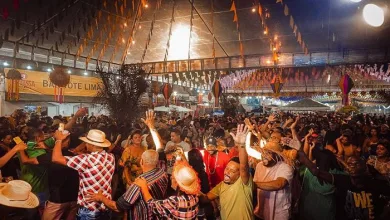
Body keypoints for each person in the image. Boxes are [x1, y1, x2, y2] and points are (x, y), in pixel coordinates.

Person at [298, 150, 390, 219]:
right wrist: (300, 150)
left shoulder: (376, 184)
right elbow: (316, 172)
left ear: (366, 168)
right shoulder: (343, 180)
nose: (352, 166)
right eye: (350, 164)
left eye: (356, 164)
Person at [85, 150, 168, 220]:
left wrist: (101, 198)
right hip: (156, 216)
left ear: (141, 161)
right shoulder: (163, 173)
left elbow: (117, 207)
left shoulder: (139, 184)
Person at [52, 129, 115, 220]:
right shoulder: (110, 157)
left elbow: (56, 158)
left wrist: (58, 140)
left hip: (89, 210)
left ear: (92, 145)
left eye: (87, 142)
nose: (85, 144)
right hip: (105, 206)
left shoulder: (86, 160)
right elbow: (93, 159)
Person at [18, 130, 79, 220]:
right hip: (75, 198)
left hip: (57, 200)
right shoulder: (75, 155)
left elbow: (25, 160)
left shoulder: (48, 157)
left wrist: (20, 148)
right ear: (68, 142)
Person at [200, 124, 253, 220]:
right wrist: (190, 187)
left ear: (239, 174)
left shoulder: (244, 184)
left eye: (232, 170)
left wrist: (241, 145)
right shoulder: (221, 186)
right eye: (227, 168)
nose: (227, 172)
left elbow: (244, 166)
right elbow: (205, 199)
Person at [134, 161, 200, 219]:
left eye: (174, 177)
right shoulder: (195, 197)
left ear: (178, 184)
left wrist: (144, 187)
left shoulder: (175, 201)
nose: (171, 177)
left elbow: (153, 205)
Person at [253, 140, 294, 220]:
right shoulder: (259, 166)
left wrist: (254, 185)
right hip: (261, 211)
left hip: (279, 214)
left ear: (277, 155)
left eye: (269, 153)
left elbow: (280, 184)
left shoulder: (285, 167)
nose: (264, 155)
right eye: (263, 152)